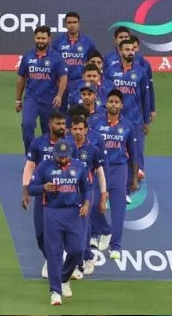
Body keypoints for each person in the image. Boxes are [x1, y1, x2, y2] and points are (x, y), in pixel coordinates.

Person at [28, 139, 90, 306]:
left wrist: (86, 204)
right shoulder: (44, 167)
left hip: (73, 212)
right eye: (60, 157)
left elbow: (86, 188)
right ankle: (55, 291)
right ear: (54, 154)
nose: (63, 160)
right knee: (54, 253)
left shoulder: (79, 166)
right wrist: (44, 187)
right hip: (52, 212)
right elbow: (31, 188)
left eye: (65, 157)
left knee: (77, 250)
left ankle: (63, 278)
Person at [89, 89, 139, 259]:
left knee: (118, 209)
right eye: (111, 101)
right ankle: (105, 230)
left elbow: (134, 153)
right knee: (94, 203)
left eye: (117, 102)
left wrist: (133, 177)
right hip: (99, 169)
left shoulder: (128, 125)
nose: (113, 105)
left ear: (121, 105)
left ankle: (116, 246)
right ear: (106, 104)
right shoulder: (95, 122)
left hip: (119, 169)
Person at [21, 111, 67, 278]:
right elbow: (29, 166)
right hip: (43, 193)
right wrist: (26, 189)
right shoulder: (38, 143)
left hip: (65, 194)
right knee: (40, 233)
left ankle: (56, 261)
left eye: (63, 124)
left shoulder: (70, 144)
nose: (61, 127)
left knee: (62, 231)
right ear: (49, 125)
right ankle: (50, 258)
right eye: (58, 124)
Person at [104, 39, 151, 202]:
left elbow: (146, 98)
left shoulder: (141, 72)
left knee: (133, 153)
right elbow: (105, 96)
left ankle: (126, 189)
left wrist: (146, 121)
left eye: (132, 49)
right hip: (114, 119)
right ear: (120, 51)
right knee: (112, 151)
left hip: (135, 120)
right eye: (127, 49)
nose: (130, 52)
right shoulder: (110, 71)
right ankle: (106, 187)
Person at [15, 26, 68, 155]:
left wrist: (59, 96)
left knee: (49, 131)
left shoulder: (56, 57)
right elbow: (21, 78)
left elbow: (63, 78)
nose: (40, 41)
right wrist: (18, 99)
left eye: (43, 38)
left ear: (49, 39)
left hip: (50, 100)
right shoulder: (28, 57)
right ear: (34, 38)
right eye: (38, 38)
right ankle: (31, 155)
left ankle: (48, 156)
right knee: (27, 126)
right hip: (31, 98)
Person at [67, 116, 108, 276]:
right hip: (68, 193)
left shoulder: (92, 150)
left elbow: (100, 173)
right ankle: (84, 258)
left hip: (86, 194)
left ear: (86, 130)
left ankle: (83, 261)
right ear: (70, 130)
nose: (78, 132)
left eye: (80, 129)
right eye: (75, 129)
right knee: (71, 229)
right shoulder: (65, 147)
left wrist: (103, 196)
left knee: (82, 229)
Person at [50, 11, 97, 113]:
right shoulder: (57, 42)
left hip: (80, 83)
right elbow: (53, 63)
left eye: (74, 22)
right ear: (65, 24)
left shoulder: (88, 42)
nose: (72, 25)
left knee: (79, 112)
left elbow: (92, 62)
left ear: (79, 23)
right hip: (62, 83)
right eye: (69, 22)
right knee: (61, 112)